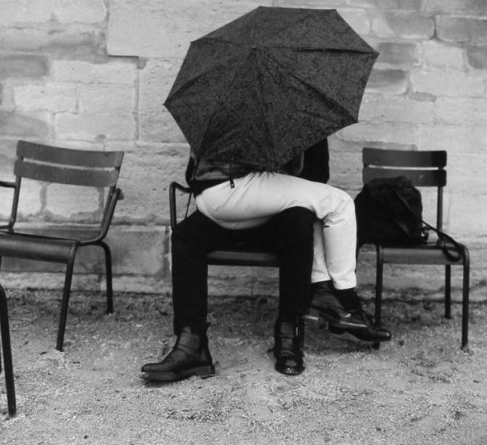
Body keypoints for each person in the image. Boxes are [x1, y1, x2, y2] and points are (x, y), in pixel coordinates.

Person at [141, 140, 391, 381]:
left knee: (299, 222)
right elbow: (194, 174)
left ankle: (288, 334)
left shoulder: (301, 116)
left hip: (279, 213)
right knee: (186, 236)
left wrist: (279, 179)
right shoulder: (231, 112)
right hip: (234, 201)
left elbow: (317, 175)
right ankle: (191, 342)